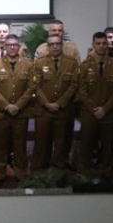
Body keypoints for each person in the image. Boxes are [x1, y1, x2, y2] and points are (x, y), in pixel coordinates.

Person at [0, 34, 35, 186]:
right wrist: (6, 105)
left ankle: (21, 173)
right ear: (5, 47)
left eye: (15, 44)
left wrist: (18, 106)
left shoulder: (29, 65)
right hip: (1, 112)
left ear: (19, 46)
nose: (12, 47)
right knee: (0, 146)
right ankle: (0, 175)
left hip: (21, 113)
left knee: (20, 146)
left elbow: (31, 87)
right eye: (9, 45)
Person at [76, 32, 113, 176]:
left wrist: (105, 109)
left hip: (108, 115)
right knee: (86, 147)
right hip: (89, 114)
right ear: (93, 45)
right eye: (98, 43)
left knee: (108, 148)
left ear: (108, 45)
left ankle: (107, 176)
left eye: (104, 43)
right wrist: (94, 109)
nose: (101, 46)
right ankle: (83, 176)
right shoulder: (84, 65)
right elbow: (81, 90)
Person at [32, 35, 79, 173]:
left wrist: (59, 103)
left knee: (61, 143)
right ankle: (39, 171)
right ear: (47, 46)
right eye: (51, 44)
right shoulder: (39, 63)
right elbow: (35, 85)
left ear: (62, 45)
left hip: (63, 110)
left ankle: (58, 171)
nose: (55, 46)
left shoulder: (72, 63)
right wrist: (47, 103)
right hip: (43, 110)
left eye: (58, 44)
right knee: (41, 143)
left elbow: (74, 85)